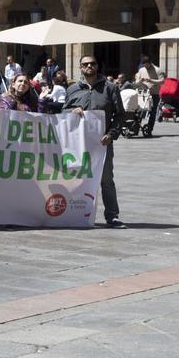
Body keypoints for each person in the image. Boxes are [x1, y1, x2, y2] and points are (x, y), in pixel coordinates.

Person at [64, 55, 125, 228]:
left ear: (97, 66)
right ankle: (74, 214)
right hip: (77, 144)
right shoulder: (72, 89)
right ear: (80, 67)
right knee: (75, 178)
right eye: (85, 64)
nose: (89, 66)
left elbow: (120, 114)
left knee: (106, 179)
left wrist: (112, 134)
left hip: (102, 143)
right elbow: (62, 112)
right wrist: (71, 111)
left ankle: (112, 216)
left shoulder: (110, 87)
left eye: (92, 63)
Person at [134, 55, 161, 137]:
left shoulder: (158, 70)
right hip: (143, 93)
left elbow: (162, 81)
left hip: (154, 94)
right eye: (144, 65)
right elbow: (136, 82)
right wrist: (139, 81)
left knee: (152, 113)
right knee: (139, 112)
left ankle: (149, 130)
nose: (145, 67)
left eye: (147, 65)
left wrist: (151, 80)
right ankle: (135, 129)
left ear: (150, 63)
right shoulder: (141, 70)